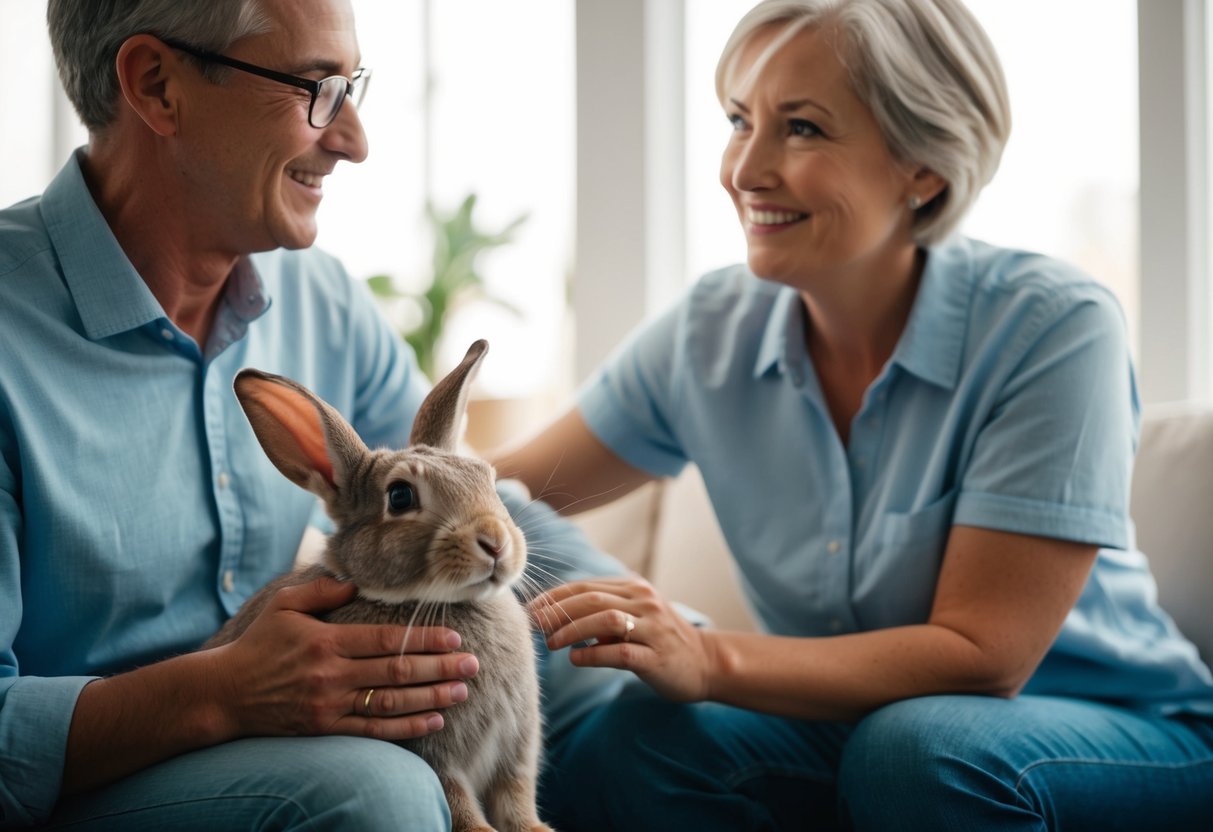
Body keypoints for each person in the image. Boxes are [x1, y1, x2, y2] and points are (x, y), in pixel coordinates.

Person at [491, 0, 1213, 829]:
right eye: (738, 120)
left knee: (918, 751)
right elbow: (498, 492)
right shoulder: (707, 333)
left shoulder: (1051, 327)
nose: (744, 168)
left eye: (800, 128)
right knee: (634, 738)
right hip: (860, 729)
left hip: (1120, 731)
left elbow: (984, 659)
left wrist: (706, 652)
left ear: (923, 166)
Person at [0, 0, 628, 828]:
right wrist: (220, 694)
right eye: (314, 88)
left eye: (351, 86)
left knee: (647, 717)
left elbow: (463, 504)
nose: (353, 139)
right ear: (157, 87)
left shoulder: (321, 297)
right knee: (380, 795)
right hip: (87, 787)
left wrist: (671, 636)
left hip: (303, 733)